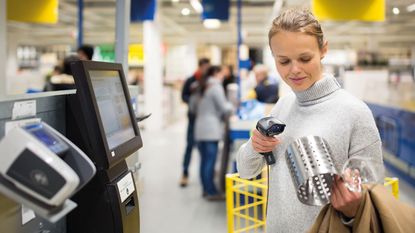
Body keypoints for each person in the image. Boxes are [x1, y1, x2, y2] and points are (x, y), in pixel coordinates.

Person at [236, 8, 383, 233]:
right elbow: (246, 171)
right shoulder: (282, 106)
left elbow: (373, 202)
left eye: (305, 58)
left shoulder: (354, 113)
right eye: (283, 61)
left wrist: (352, 207)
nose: (295, 70)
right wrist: (254, 147)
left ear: (324, 49)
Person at [191, 66, 233, 200]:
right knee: (210, 161)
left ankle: (206, 189)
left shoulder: (199, 86)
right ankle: (212, 192)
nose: (223, 76)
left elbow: (192, 107)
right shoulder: (216, 87)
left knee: (203, 161)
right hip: (211, 128)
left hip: (199, 127)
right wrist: (233, 106)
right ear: (216, 73)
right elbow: (224, 107)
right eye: (221, 73)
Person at [179, 58, 210, 187]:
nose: (206, 70)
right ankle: (185, 173)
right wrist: (193, 100)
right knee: (190, 146)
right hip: (193, 119)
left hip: (205, 121)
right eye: (205, 67)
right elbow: (183, 96)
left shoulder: (209, 81)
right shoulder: (191, 80)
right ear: (200, 66)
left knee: (204, 149)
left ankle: (205, 176)